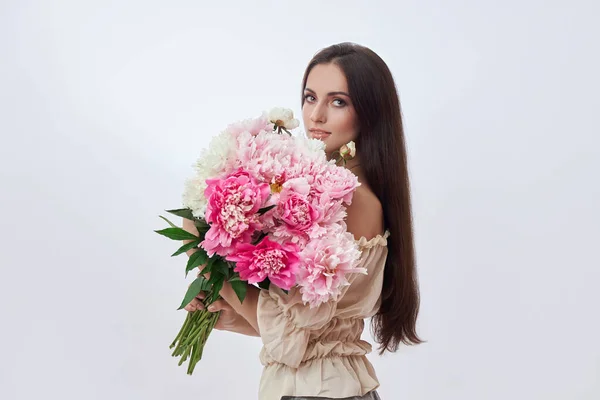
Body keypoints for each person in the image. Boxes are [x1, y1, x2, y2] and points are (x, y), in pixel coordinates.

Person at [182, 42, 422, 400]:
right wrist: (235, 316)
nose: (316, 116)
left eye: (338, 101)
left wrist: (201, 251)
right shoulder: (329, 191)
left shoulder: (351, 200)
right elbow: (314, 329)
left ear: (370, 112)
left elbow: (289, 337)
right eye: (311, 97)